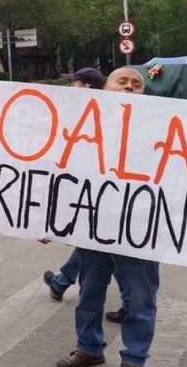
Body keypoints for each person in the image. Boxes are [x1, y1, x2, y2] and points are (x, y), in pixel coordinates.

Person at [55, 67, 187, 367]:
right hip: (94, 225)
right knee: (89, 293)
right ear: (106, 89)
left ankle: (133, 359)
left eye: (136, 84)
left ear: (144, 94)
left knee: (140, 297)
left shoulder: (161, 124)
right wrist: (47, 221)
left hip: (140, 229)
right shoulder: (84, 122)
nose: (129, 87)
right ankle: (89, 348)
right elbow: (55, 166)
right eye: (122, 82)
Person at [43, 66, 128, 320]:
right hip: (94, 197)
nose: (71, 88)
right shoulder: (81, 114)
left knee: (114, 250)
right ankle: (61, 282)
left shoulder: (103, 116)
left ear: (88, 88)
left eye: (75, 83)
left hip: (113, 198)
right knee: (92, 244)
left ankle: (129, 303)